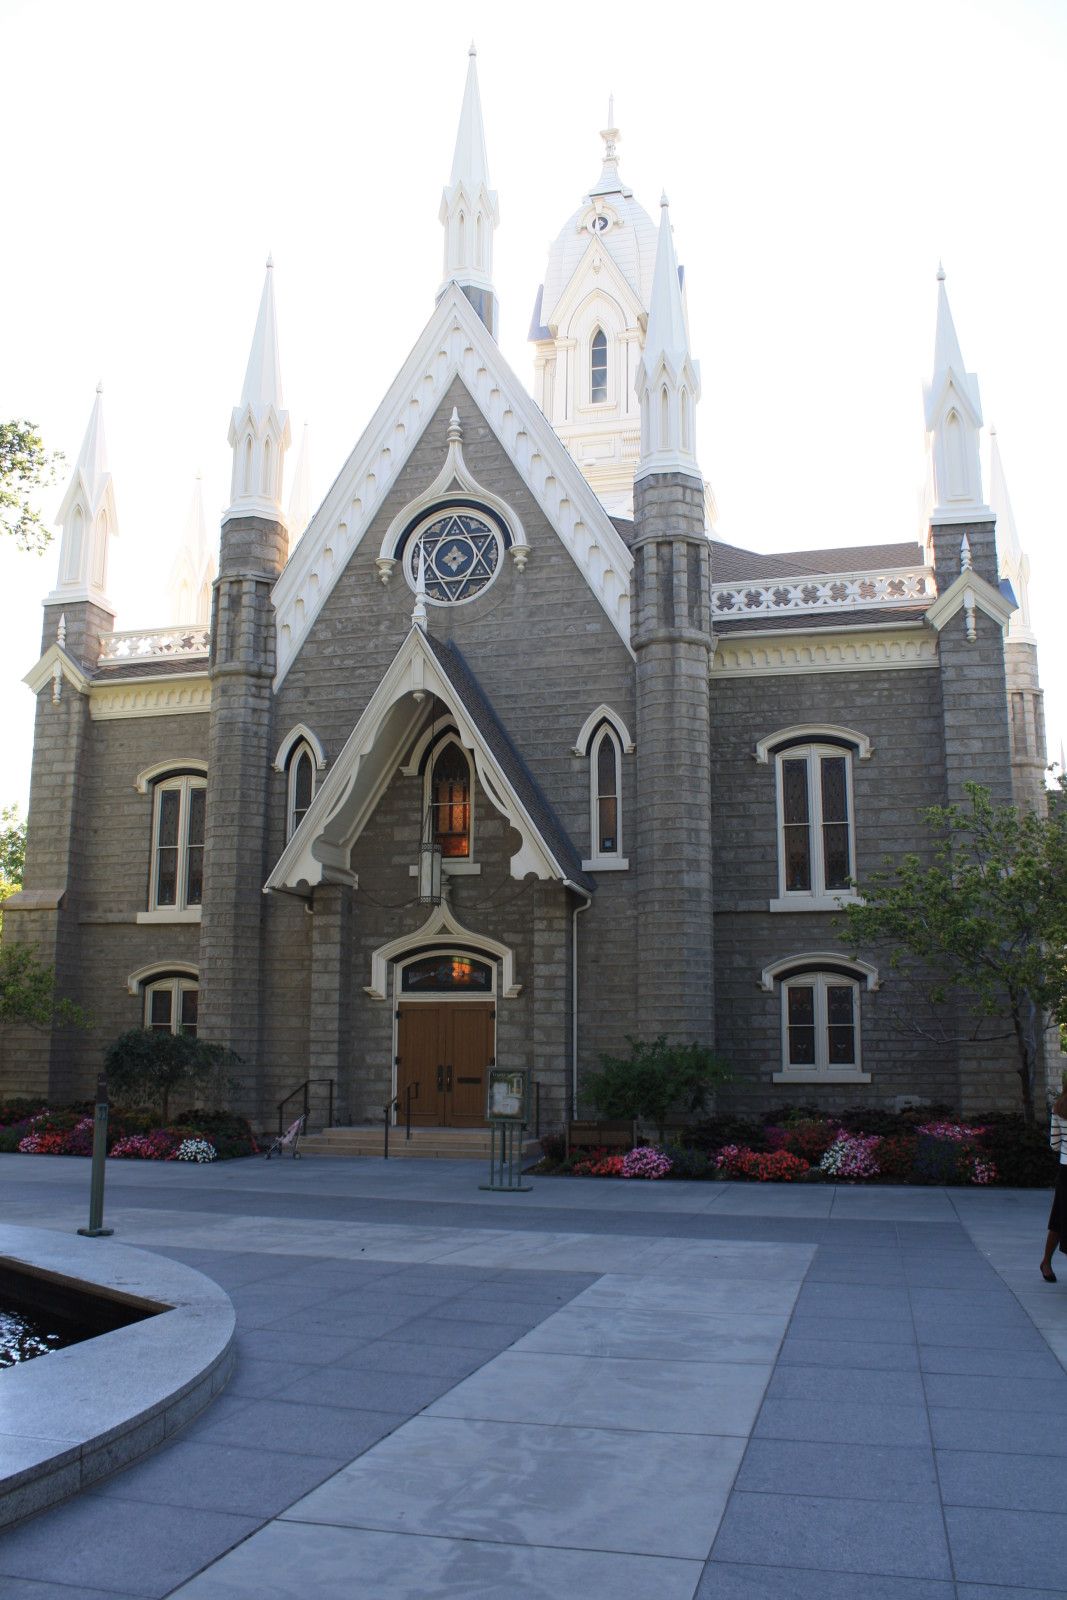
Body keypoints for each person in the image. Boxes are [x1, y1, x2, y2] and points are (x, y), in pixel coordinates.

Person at [1040, 1085, 1067, 1282]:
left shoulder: (1059, 1107)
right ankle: (1046, 1263)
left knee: (1059, 1218)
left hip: (1066, 1169)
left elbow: (1055, 1144)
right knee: (1059, 1218)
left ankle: (1046, 1262)